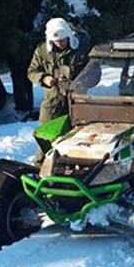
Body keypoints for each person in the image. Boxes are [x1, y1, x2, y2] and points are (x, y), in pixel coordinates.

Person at [28, 18, 90, 162]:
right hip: (53, 101)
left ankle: (75, 166)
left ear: (68, 35)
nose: (59, 44)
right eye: (55, 41)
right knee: (45, 136)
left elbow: (94, 72)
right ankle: (40, 166)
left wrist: (82, 82)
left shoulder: (82, 47)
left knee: (78, 136)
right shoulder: (42, 51)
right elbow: (32, 71)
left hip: (77, 101)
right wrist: (43, 78)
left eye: (62, 40)